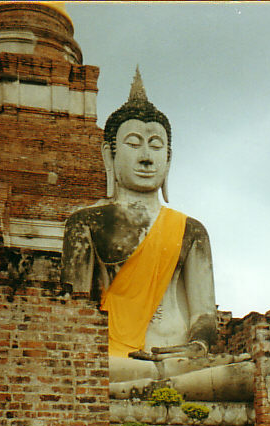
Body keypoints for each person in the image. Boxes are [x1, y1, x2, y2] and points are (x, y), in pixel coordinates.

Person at [60, 68, 218, 384]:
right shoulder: (86, 224)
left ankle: (157, 375)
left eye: (155, 145)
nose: (146, 158)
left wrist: (197, 346)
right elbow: (72, 315)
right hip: (113, 359)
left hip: (178, 359)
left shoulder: (191, 230)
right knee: (84, 374)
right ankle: (153, 377)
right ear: (110, 155)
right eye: (134, 144)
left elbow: (204, 315)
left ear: (168, 159)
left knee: (243, 375)